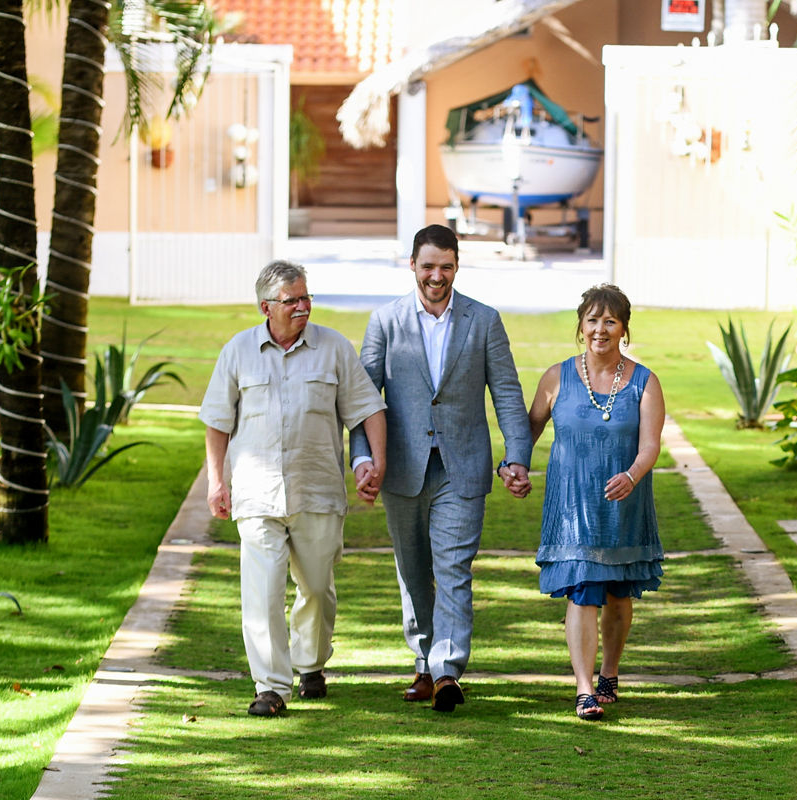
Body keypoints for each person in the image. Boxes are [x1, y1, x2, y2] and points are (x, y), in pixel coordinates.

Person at [349, 224, 532, 712]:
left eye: (446, 266)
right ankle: (424, 661)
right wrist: (363, 458)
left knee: (453, 566)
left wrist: (517, 455)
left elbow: (508, 395)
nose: (436, 276)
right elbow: (362, 399)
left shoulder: (484, 320)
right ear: (412, 265)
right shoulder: (385, 322)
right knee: (413, 570)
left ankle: (448, 669)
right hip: (402, 468)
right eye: (427, 266)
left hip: (463, 466)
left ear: (457, 267)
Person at [200, 260, 386, 717]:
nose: (302, 306)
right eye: (292, 300)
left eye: (306, 297)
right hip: (256, 493)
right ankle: (270, 687)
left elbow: (368, 408)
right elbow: (217, 421)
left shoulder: (334, 348)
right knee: (262, 593)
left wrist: (376, 463)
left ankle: (310, 664)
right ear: (266, 306)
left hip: (317, 489)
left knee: (317, 587)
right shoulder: (238, 351)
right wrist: (216, 480)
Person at [525, 284, 665, 721]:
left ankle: (609, 672)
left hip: (623, 505)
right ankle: (585, 689)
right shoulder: (556, 377)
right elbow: (528, 431)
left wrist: (632, 475)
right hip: (572, 507)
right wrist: (513, 464)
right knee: (583, 590)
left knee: (619, 595)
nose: (600, 330)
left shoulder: (645, 381)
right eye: (592, 320)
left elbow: (650, 446)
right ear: (580, 325)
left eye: (610, 321)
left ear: (623, 327)